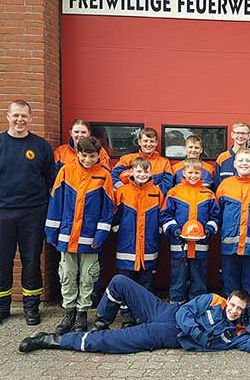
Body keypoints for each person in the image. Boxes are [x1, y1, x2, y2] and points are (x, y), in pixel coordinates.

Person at [19, 274, 250, 354]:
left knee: (109, 344)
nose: (233, 311)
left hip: (166, 335)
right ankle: (102, 321)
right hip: (167, 312)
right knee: (119, 282)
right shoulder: (215, 300)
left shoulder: (237, 332)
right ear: (228, 301)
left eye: (239, 309)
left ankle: (51, 340)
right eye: (233, 305)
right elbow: (186, 314)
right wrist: (198, 333)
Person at [0, 100, 55, 327]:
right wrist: (1, 197)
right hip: (1, 212)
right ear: (7, 116)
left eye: (24, 116)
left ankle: (31, 308)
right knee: (2, 260)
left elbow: (50, 179)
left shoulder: (41, 146)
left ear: (31, 118)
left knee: (31, 260)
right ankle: (0, 309)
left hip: (33, 212)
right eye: (16, 115)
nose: (20, 120)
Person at [45, 136, 115, 334]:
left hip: (90, 238)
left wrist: (101, 235)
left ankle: (82, 313)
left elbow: (108, 208)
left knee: (88, 277)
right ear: (78, 153)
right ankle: (69, 313)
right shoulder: (66, 171)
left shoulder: (104, 175)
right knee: (67, 275)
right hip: (66, 237)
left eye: (91, 156)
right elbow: (55, 201)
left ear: (98, 155)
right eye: (83, 155)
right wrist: (52, 232)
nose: (87, 160)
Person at [112, 157, 168, 327]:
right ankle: (127, 315)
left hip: (148, 246)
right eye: (138, 171)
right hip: (127, 245)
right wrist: (115, 228)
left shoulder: (156, 192)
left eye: (145, 171)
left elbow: (162, 215)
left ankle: (144, 314)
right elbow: (114, 214)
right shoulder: (123, 192)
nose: (142, 174)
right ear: (132, 172)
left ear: (151, 173)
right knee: (125, 280)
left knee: (146, 281)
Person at [215, 148, 250, 303]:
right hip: (229, 245)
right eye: (241, 160)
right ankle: (229, 312)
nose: (244, 163)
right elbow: (217, 213)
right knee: (230, 280)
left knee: (249, 281)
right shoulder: (225, 186)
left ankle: (247, 312)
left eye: (248, 161)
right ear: (234, 164)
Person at [164, 158, 221, 304]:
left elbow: (215, 217)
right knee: (178, 278)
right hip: (179, 245)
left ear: (201, 173)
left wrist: (208, 229)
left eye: (196, 172)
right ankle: (176, 307)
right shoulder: (174, 192)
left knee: (199, 279)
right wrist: (175, 229)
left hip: (200, 244)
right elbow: (165, 215)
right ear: (183, 172)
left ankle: (197, 307)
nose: (193, 176)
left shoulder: (208, 194)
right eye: (190, 172)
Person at [112, 127, 173, 195]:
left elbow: (168, 182)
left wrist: (152, 194)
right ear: (139, 142)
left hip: (153, 200)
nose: (148, 144)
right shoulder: (127, 159)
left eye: (152, 141)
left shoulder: (164, 162)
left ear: (156, 143)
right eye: (145, 141)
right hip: (130, 199)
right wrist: (123, 189)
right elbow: (113, 175)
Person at [215, 122, 250, 187]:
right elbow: (217, 184)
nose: (240, 136)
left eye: (244, 133)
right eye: (238, 133)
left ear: (248, 136)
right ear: (232, 135)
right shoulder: (222, 158)